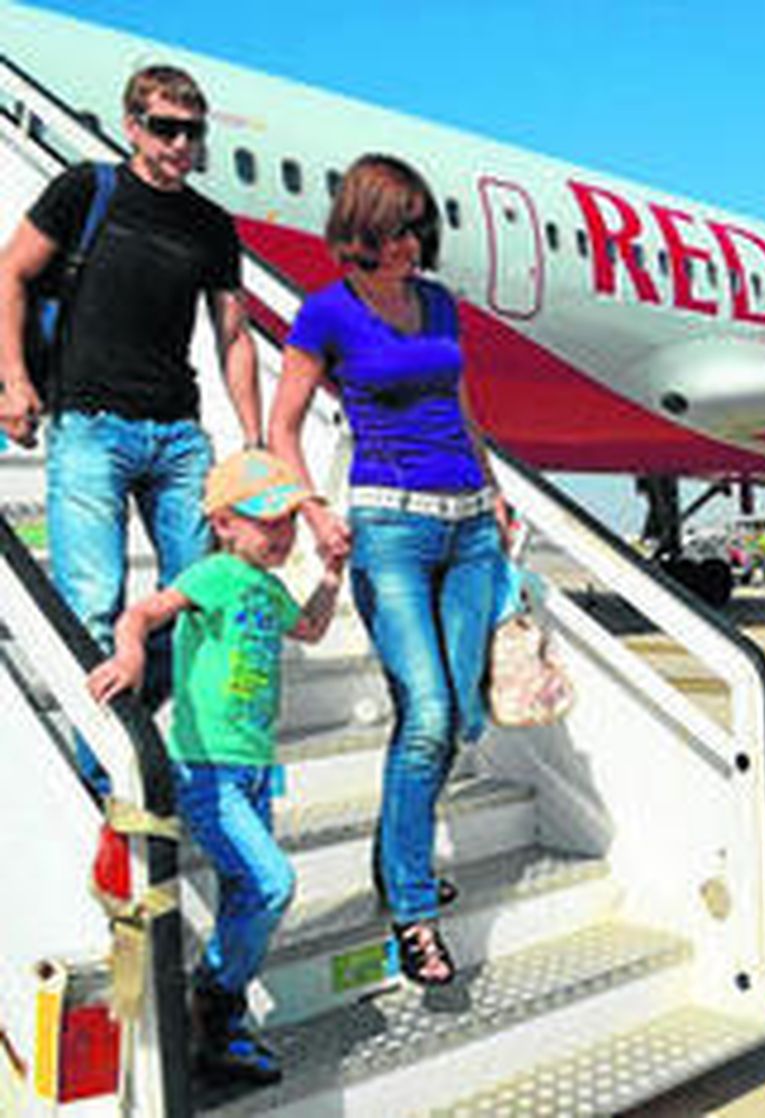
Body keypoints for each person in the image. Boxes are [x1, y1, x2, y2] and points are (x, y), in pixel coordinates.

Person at [269, 154, 510, 987]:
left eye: (420, 227)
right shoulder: (326, 313)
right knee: (431, 709)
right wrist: (311, 507)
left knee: (460, 719)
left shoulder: (439, 303)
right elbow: (283, 425)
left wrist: (497, 490)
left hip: (471, 527)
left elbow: (461, 406)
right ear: (362, 228)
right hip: (390, 531)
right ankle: (412, 910)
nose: (413, 242)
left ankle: (391, 860)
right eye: (398, 228)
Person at [0, 64, 260, 793]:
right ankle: (105, 786)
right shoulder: (88, 190)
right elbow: (10, 273)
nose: (181, 143)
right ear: (133, 127)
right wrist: (16, 381)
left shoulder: (212, 226)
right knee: (94, 605)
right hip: (90, 427)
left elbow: (234, 337)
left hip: (179, 435)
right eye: (166, 127)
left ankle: (124, 743)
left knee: (201, 600)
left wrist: (255, 438)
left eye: (193, 131)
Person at [86, 450, 341, 1085]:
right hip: (207, 769)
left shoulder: (268, 586)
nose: (281, 533)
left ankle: (220, 1032)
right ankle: (215, 995)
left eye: (287, 521)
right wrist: (132, 656)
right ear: (224, 523)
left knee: (244, 890)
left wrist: (331, 574)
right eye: (266, 522)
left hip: (254, 770)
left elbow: (309, 630)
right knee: (271, 883)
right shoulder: (215, 573)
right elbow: (142, 612)